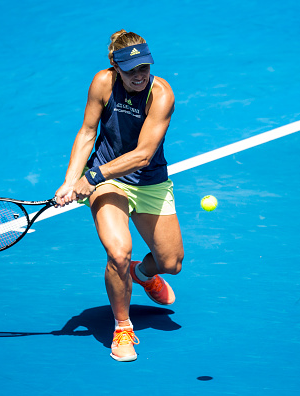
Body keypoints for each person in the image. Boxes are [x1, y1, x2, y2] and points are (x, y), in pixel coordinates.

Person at [54, 29, 184, 362]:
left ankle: (142, 274)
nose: (140, 76)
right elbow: (87, 132)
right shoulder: (102, 83)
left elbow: (143, 155)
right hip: (109, 182)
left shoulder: (162, 94)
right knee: (118, 252)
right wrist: (71, 180)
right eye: (131, 70)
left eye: (144, 68)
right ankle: (123, 327)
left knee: (171, 263)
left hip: (149, 181)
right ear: (115, 65)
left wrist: (92, 175)